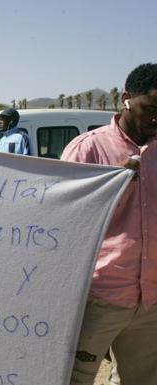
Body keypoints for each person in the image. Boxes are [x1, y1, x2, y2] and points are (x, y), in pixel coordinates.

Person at [61, 63, 157, 385]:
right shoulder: (87, 148)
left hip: (151, 304)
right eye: (152, 107)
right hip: (99, 297)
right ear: (127, 99)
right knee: (74, 379)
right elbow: (62, 218)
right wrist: (109, 182)